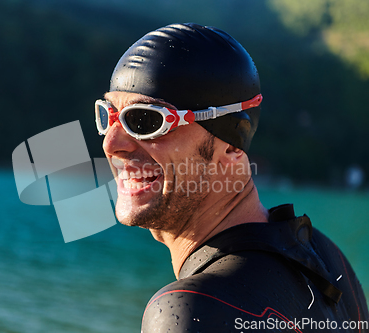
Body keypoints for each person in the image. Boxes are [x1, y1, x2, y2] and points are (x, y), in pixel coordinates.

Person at [94, 23, 369, 332]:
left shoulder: (189, 311)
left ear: (230, 145)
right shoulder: (326, 259)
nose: (110, 144)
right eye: (108, 115)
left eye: (144, 120)